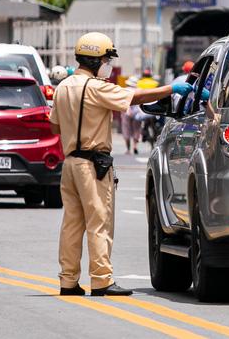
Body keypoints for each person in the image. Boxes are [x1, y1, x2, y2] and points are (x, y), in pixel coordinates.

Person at [49, 32, 192, 296]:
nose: (108, 64)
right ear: (94, 60)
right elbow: (134, 97)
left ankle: (68, 280)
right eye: (106, 59)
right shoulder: (96, 87)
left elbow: (55, 125)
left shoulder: (63, 88)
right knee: (99, 222)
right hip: (93, 164)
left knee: (71, 224)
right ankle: (102, 280)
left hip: (70, 164)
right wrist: (172, 88)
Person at [120, 76, 142, 155]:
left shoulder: (125, 90)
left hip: (126, 112)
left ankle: (128, 149)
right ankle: (135, 146)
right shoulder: (139, 90)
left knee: (126, 130)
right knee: (137, 129)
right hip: (137, 113)